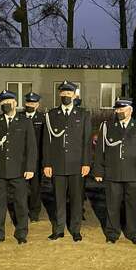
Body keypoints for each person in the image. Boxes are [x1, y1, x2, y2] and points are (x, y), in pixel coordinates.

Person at [94, 98, 136, 244]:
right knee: (112, 205)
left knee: (133, 205)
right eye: (117, 109)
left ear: (130, 110)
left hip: (134, 173)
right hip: (113, 172)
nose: (119, 111)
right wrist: (99, 171)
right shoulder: (107, 126)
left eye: (122, 109)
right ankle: (112, 233)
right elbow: (100, 150)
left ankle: (134, 233)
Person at [0, 90, 38, 245]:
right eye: (3, 103)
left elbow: (31, 147)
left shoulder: (25, 121)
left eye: (9, 102)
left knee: (20, 203)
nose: (6, 104)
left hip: (19, 170)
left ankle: (21, 233)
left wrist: (30, 168)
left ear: (15, 103)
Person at [42, 80, 92, 242]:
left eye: (69, 93)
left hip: (77, 165)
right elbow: (47, 142)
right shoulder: (51, 115)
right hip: (57, 165)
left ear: (74, 95)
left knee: (77, 200)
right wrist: (47, 164)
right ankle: (58, 229)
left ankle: (76, 230)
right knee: (59, 199)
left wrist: (86, 163)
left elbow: (86, 142)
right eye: (63, 94)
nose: (66, 96)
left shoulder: (83, 114)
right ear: (59, 95)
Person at [21, 92, 45, 222]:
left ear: (37, 105)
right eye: (28, 103)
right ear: (25, 104)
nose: (30, 105)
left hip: (36, 159)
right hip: (21, 159)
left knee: (35, 187)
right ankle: (22, 211)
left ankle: (35, 212)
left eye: (33, 103)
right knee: (21, 188)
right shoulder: (19, 117)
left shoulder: (42, 118)